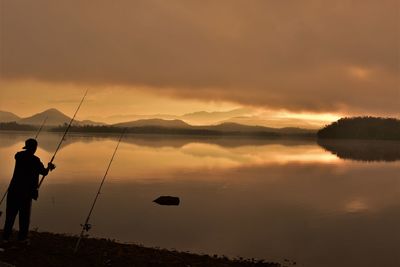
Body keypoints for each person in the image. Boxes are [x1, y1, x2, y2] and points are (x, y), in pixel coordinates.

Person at [2, 138, 56, 243]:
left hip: (14, 190)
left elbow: (19, 156)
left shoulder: (18, 156)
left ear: (26, 147)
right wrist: (49, 167)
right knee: (24, 216)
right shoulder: (35, 160)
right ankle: (22, 238)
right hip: (26, 192)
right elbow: (44, 172)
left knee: (10, 215)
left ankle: (5, 238)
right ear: (34, 148)